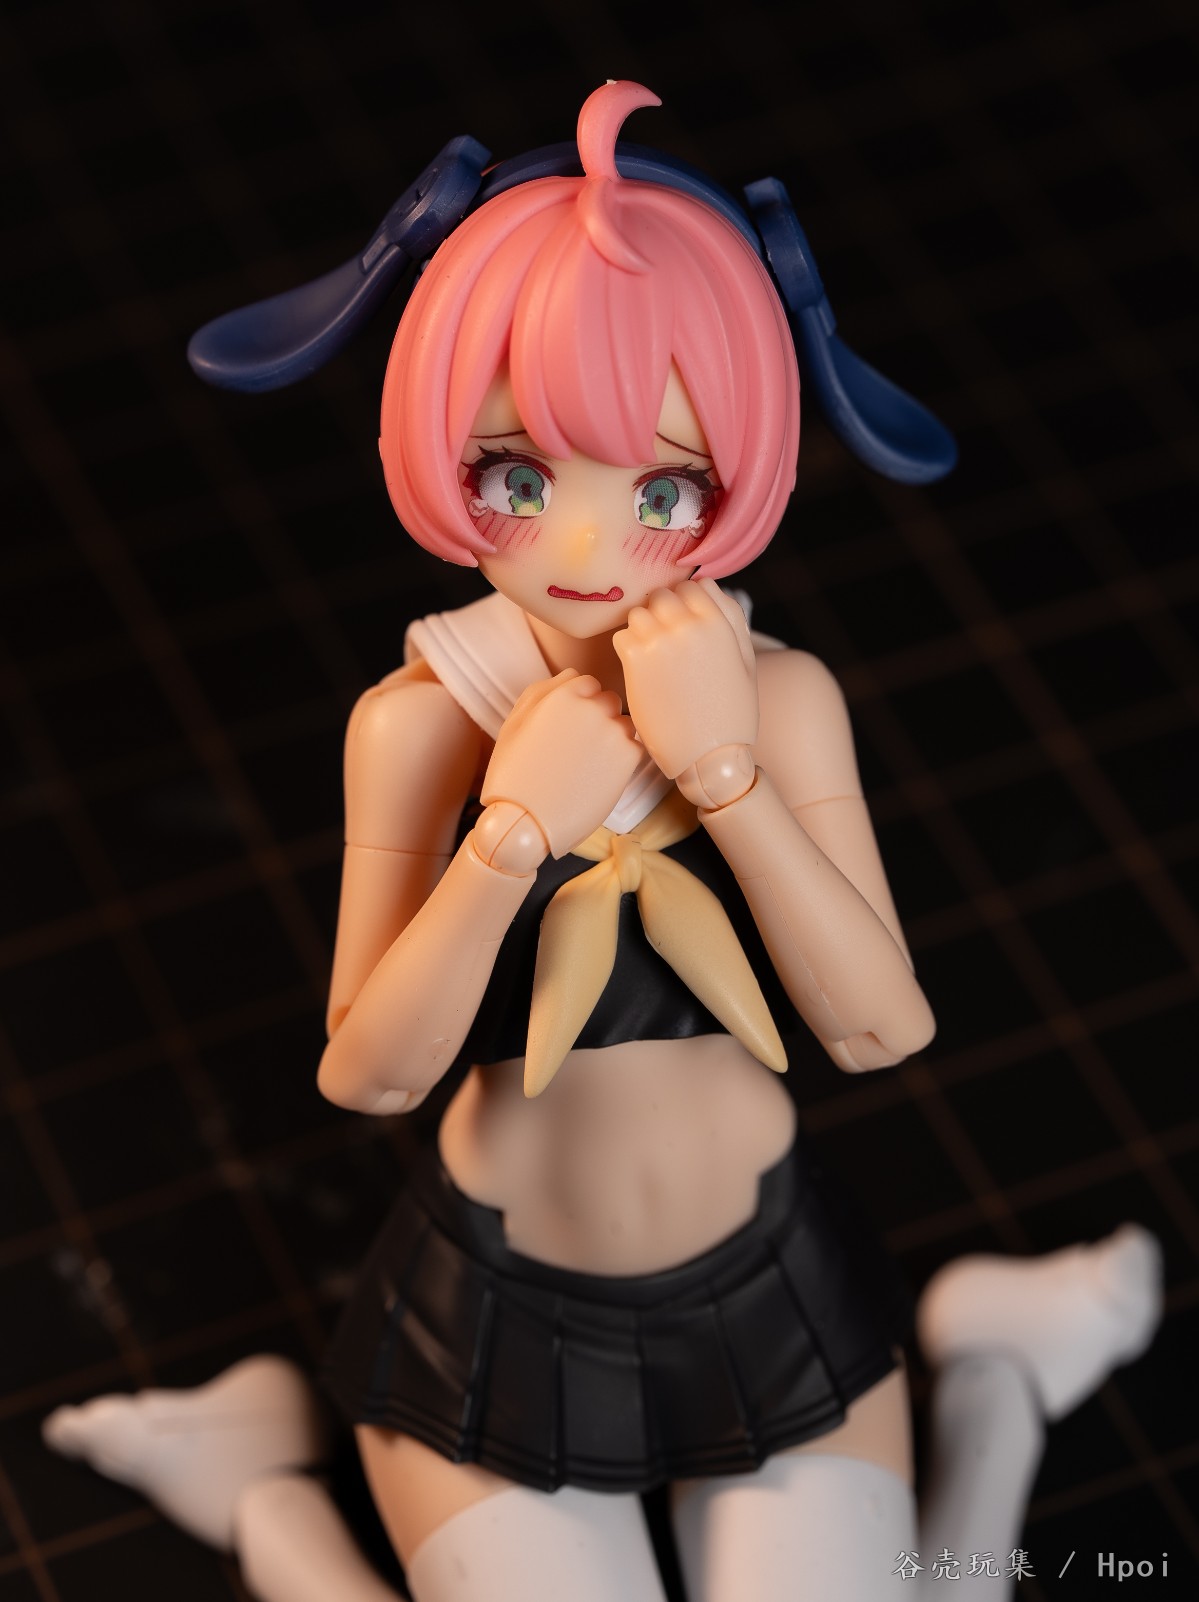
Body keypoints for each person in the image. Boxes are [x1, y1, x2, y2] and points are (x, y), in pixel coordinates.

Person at [45, 82, 1162, 1601]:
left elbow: (881, 1028)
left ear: (738, 480)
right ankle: (254, 1483)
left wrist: (725, 772)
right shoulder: (419, 723)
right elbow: (368, 1072)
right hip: (499, 1307)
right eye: (518, 477)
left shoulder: (780, 698)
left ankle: (996, 1370)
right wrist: (510, 834)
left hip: (766, 1282)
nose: (583, 546)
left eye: (659, 490)